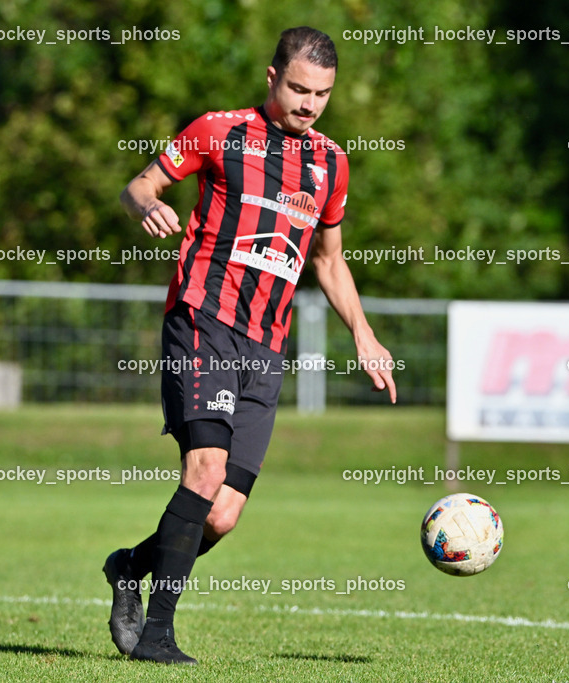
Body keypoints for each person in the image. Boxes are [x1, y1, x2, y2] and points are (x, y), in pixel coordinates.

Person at [104, 27, 397, 664]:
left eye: (321, 93)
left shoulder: (331, 162)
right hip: (203, 320)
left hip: (267, 345)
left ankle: (132, 566)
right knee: (204, 471)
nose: (308, 103)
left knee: (223, 514)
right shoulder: (218, 130)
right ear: (271, 78)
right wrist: (145, 204)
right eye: (297, 88)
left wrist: (365, 334)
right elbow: (138, 186)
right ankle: (156, 637)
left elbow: (330, 261)